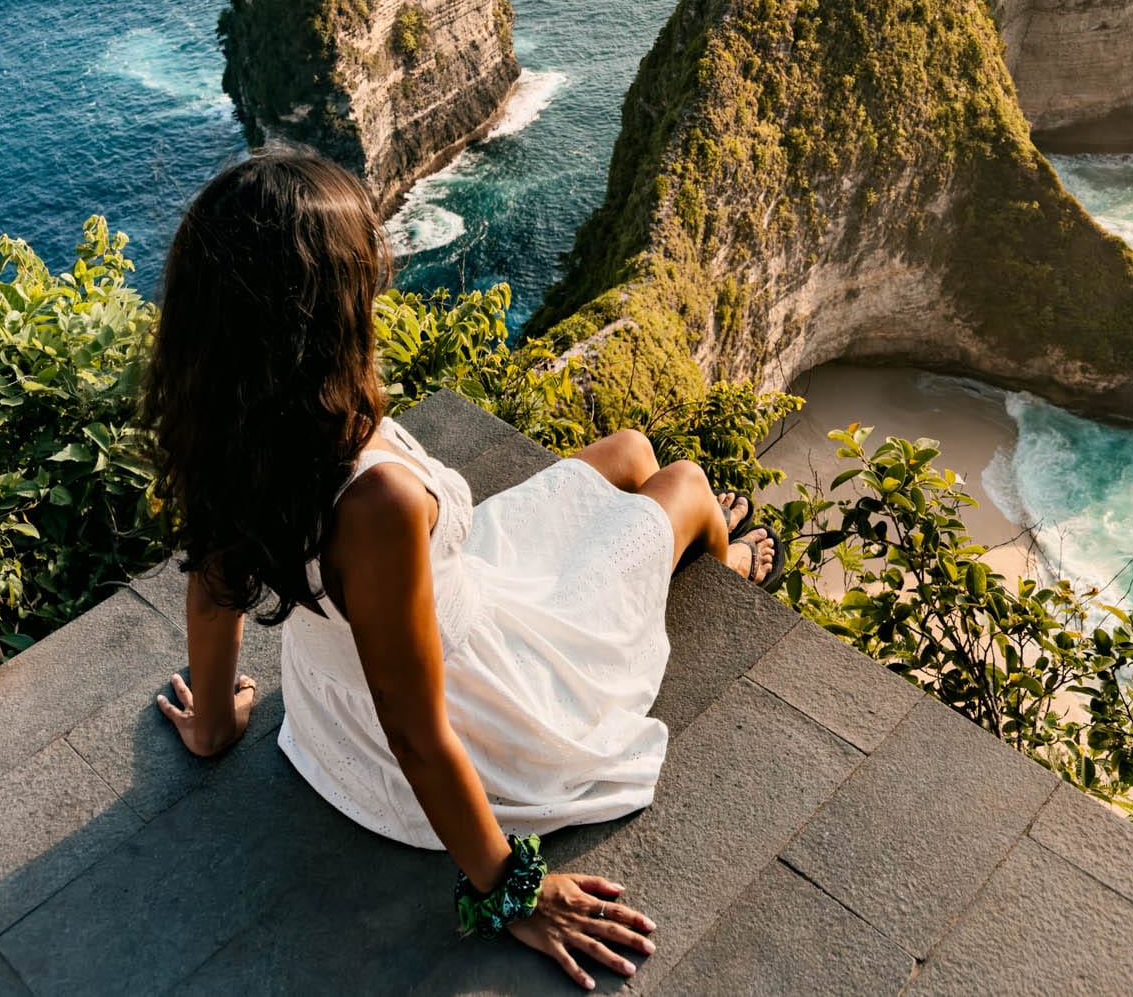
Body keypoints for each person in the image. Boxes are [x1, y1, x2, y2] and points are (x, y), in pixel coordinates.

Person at [136, 147, 784, 991]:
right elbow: (417, 731)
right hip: (468, 686)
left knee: (628, 453)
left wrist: (216, 723)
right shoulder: (377, 504)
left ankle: (675, 538)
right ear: (325, 319)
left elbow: (212, 585)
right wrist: (513, 890)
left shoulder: (237, 428)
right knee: (686, 482)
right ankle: (723, 558)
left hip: (362, 677)